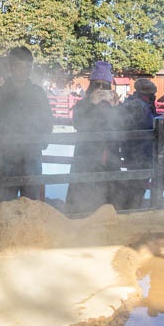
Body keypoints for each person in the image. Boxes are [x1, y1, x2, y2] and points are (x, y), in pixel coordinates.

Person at [0, 46, 54, 202]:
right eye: (19, 65)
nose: (24, 70)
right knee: (4, 206)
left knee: (31, 205)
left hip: (32, 156)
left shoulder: (38, 94)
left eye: (27, 66)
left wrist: (42, 142)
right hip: (6, 159)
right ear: (11, 67)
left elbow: (48, 120)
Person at [66, 61, 126, 213]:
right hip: (85, 162)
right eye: (97, 85)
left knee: (108, 206)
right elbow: (78, 123)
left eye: (104, 85)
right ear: (91, 86)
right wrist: (91, 104)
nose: (100, 89)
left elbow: (123, 128)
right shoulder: (83, 104)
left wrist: (116, 108)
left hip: (109, 161)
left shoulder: (115, 104)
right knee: (81, 207)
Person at [116, 77, 158, 210]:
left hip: (131, 151)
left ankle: (129, 209)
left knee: (134, 183)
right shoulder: (141, 106)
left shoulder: (132, 103)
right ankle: (132, 211)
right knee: (138, 185)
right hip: (141, 152)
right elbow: (150, 124)